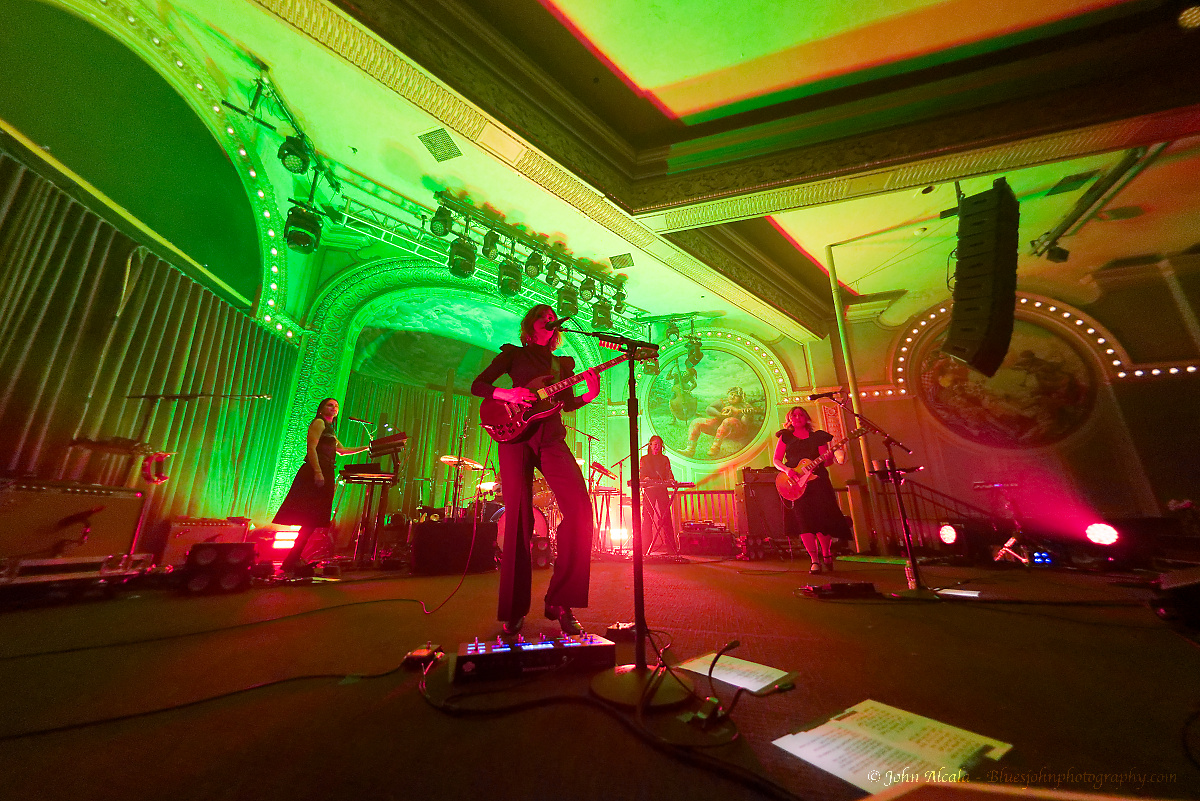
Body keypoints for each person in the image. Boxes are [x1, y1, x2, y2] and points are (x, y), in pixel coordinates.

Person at [472, 304, 600, 637]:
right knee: (518, 521)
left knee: (581, 511)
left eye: (552, 316)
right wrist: (507, 392)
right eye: (543, 315)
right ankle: (514, 610)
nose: (549, 318)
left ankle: (561, 601)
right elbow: (479, 385)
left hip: (551, 437)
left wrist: (590, 395)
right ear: (532, 324)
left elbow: (566, 403)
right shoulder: (514, 354)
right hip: (514, 438)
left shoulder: (563, 364)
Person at [272, 398, 369, 575]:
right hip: (315, 471)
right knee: (309, 517)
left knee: (313, 519)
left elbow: (342, 450)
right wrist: (317, 471)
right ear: (322, 408)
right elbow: (311, 448)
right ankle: (291, 560)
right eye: (330, 405)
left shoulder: (330, 429)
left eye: (336, 406)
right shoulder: (318, 422)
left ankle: (292, 559)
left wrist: (367, 447)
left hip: (326, 470)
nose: (334, 408)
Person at [772, 406, 852, 573]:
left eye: (801, 415)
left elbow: (826, 462)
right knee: (804, 522)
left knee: (823, 520)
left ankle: (827, 553)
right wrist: (788, 470)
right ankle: (814, 560)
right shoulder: (785, 437)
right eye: (794, 415)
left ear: (806, 418)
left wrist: (829, 458)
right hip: (795, 483)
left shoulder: (818, 437)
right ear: (790, 419)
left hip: (818, 482)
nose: (798, 417)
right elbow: (777, 460)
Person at [682, 386, 752, 458]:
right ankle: (690, 449)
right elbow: (709, 409)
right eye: (732, 394)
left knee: (728, 421)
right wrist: (719, 415)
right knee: (696, 422)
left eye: (736, 396)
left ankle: (715, 447)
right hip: (718, 429)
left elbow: (745, 424)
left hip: (735, 433)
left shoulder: (745, 406)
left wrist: (746, 415)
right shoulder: (723, 402)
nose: (733, 397)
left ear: (741, 398)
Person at [640, 435, 678, 555]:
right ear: (650, 445)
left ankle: (671, 549)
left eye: (659, 444)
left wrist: (671, 480)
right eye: (655, 444)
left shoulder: (664, 459)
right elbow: (641, 474)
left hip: (662, 490)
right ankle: (644, 549)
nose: (657, 446)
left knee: (666, 518)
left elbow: (668, 473)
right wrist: (645, 479)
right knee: (647, 519)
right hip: (650, 490)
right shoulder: (644, 459)